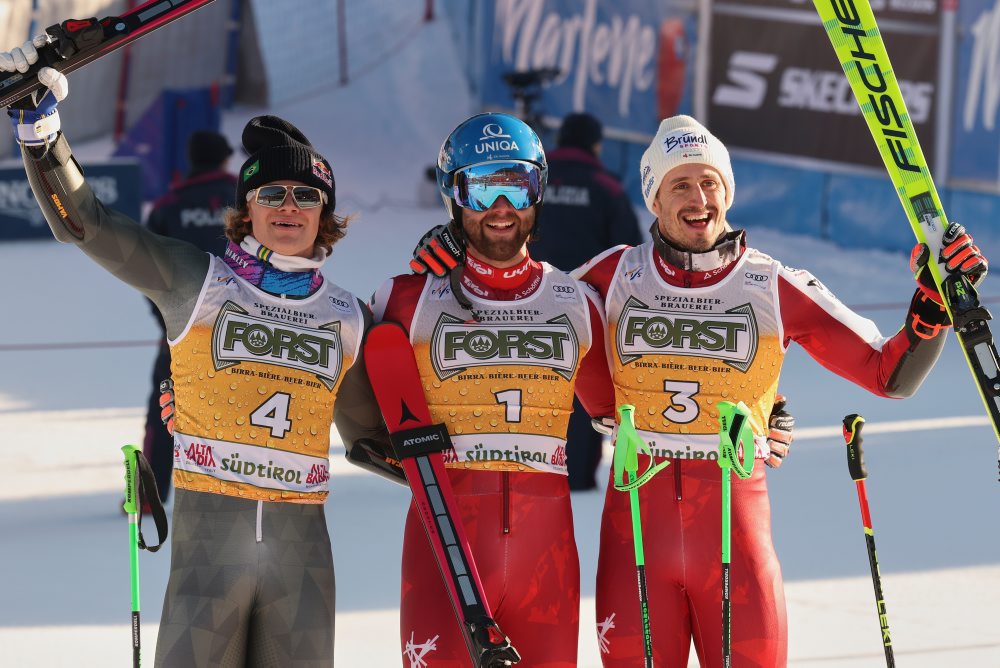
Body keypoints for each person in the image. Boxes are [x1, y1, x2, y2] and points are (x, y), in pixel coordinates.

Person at [408, 114, 986, 666]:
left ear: (727, 192)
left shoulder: (772, 284)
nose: (697, 198)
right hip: (636, 547)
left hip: (737, 547)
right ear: (654, 200)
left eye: (709, 182)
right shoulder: (611, 277)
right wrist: (452, 247)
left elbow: (888, 374)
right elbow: (514, 300)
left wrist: (934, 303)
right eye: (679, 185)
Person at [4, 43, 374, 666]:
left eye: (307, 196)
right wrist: (41, 136)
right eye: (272, 193)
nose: (289, 207)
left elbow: (382, 441)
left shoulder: (349, 317)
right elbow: (86, 224)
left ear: (325, 215)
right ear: (246, 207)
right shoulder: (196, 282)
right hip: (209, 563)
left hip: (303, 571)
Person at [357, 112, 617, 666]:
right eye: (481, 188)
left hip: (546, 562)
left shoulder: (577, 302)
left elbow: (641, 398)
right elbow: (313, 363)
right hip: (442, 553)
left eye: (517, 185)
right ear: (454, 195)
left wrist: (764, 406)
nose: (502, 207)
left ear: (539, 191)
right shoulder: (404, 298)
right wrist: (184, 388)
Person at [532, 111, 643, 491]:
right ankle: (577, 476)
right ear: (596, 145)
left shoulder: (534, 184)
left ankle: (531, 470)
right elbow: (631, 253)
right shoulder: (606, 187)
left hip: (526, 299)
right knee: (585, 388)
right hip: (585, 308)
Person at [142, 129, 237, 502]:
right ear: (225, 158)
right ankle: (239, 491)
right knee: (238, 407)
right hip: (243, 328)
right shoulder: (244, 198)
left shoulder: (169, 203)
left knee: (163, 410)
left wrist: (168, 321)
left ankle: (149, 497)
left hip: (180, 326)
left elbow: (145, 271)